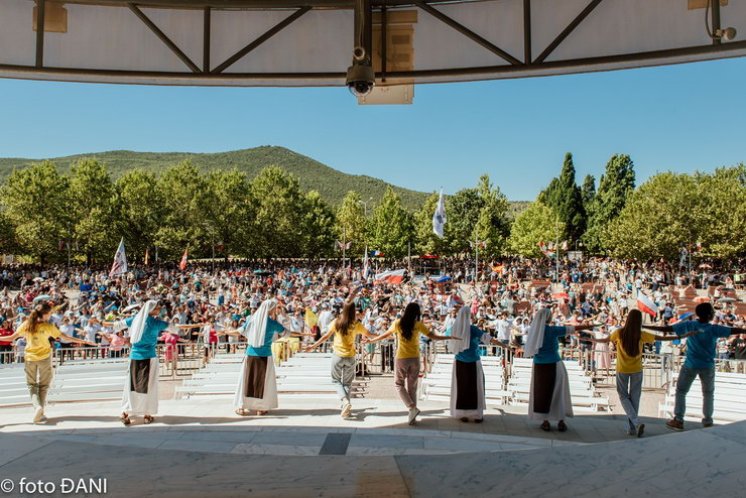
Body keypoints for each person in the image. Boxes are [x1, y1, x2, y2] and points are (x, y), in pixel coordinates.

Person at [580, 309, 682, 437]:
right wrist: (678, 336)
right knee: (635, 399)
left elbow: (605, 340)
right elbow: (660, 337)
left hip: (622, 369)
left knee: (623, 396)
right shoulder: (641, 334)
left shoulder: (619, 332)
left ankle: (635, 424)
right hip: (637, 370)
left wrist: (592, 341)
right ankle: (633, 427)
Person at [646, 303, 746, 430]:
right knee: (708, 394)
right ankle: (708, 421)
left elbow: (668, 329)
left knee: (681, 391)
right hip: (708, 366)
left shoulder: (690, 325)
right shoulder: (714, 329)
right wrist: (744, 330)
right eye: (712, 312)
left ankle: (678, 420)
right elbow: (733, 330)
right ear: (709, 315)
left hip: (690, 365)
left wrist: (644, 326)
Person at [2, 302, 92, 423]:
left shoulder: (26, 324)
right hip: (44, 358)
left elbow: (11, 338)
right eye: (49, 313)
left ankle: (37, 407)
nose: (50, 315)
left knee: (32, 385)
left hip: (30, 358)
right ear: (44, 314)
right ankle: (41, 410)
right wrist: (83, 341)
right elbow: (65, 337)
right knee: (43, 386)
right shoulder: (48, 326)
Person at [367, 302, 456, 424]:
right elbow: (434, 336)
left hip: (402, 358)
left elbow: (385, 335)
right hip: (415, 358)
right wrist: (449, 337)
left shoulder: (398, 323)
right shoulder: (418, 325)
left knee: (399, 384)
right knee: (412, 388)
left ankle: (411, 407)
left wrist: (372, 340)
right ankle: (412, 416)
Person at [523, 307, 594, 432]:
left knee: (542, 394)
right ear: (548, 318)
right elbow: (573, 328)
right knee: (559, 393)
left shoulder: (533, 332)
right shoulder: (553, 330)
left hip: (539, 366)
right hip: (555, 364)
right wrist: (589, 325)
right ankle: (561, 421)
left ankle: (545, 421)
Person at [306, 298, 377, 419]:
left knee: (335, 380)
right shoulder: (357, 324)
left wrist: (313, 346)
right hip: (350, 356)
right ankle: (346, 408)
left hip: (338, 355)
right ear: (354, 311)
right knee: (347, 383)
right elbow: (369, 334)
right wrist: (382, 336)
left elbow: (325, 337)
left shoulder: (337, 322)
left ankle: (345, 402)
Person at [231, 299, 301, 417]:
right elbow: (287, 333)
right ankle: (260, 408)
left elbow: (239, 331)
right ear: (270, 309)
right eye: (274, 308)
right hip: (265, 356)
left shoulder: (251, 319)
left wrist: (225, 332)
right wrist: (302, 334)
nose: (275, 310)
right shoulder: (272, 323)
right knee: (263, 383)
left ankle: (241, 406)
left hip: (250, 355)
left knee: (246, 381)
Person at [107, 300, 171, 426]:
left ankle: (125, 412)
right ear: (152, 309)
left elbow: (116, 325)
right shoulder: (155, 322)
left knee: (131, 386)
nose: (159, 309)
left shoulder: (135, 319)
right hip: (150, 357)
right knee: (149, 386)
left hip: (134, 357)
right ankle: (147, 415)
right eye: (157, 307)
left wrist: (100, 322)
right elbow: (174, 328)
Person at [446, 306, 496, 423]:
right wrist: (504, 346)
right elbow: (488, 339)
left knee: (462, 387)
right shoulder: (473, 329)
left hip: (459, 363)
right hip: (473, 361)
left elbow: (445, 337)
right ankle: (477, 415)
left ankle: (463, 414)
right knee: (476, 387)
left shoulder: (453, 329)